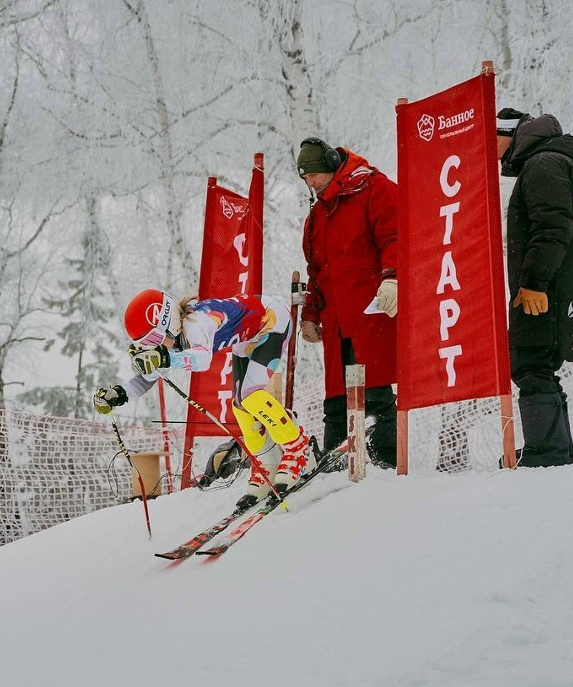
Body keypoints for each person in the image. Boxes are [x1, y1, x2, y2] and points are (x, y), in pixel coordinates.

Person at [94, 289, 311, 509]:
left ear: (169, 323)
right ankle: (267, 461)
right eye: (145, 344)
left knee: (250, 396)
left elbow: (202, 360)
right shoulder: (171, 340)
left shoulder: (196, 322)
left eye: (154, 339)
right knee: (239, 405)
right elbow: (146, 379)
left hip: (271, 321)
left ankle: (297, 446)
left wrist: (165, 357)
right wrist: (119, 394)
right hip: (247, 338)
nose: (152, 347)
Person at [496, 108, 573, 467]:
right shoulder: (548, 161)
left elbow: (552, 229)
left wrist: (534, 283)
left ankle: (547, 453)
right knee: (538, 364)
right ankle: (551, 447)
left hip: (549, 289)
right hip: (557, 286)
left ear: (510, 135)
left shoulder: (543, 164)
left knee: (532, 362)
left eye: (491, 137)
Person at [296, 137, 398, 469]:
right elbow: (316, 271)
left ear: (330, 164)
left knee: (376, 396)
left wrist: (392, 276)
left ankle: (386, 464)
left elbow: (395, 235)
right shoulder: (317, 216)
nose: (310, 182)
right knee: (337, 401)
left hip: (370, 313)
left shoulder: (373, 188)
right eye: (304, 178)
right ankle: (333, 468)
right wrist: (310, 313)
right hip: (336, 321)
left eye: (313, 174)